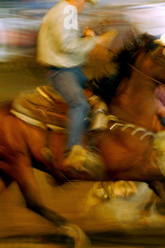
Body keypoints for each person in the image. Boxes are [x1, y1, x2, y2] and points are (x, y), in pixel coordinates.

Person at [37, 0, 117, 171]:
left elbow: (68, 41)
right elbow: (66, 45)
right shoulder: (67, 11)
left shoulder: (65, 11)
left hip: (71, 70)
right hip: (62, 71)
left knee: (99, 96)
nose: (84, 6)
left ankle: (91, 144)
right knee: (79, 104)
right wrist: (97, 40)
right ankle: (72, 152)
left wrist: (85, 37)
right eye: (85, 2)